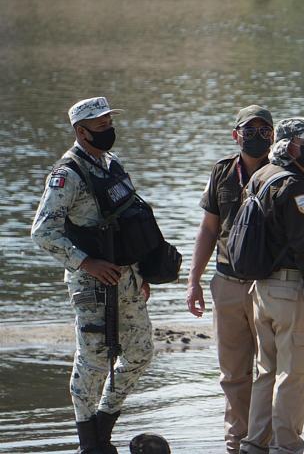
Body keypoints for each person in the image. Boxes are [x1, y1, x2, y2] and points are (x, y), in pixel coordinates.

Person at [31, 97, 154, 454]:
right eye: (101, 126)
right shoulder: (67, 174)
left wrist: (141, 272)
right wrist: (86, 263)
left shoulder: (111, 164)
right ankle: (90, 443)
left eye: (109, 123)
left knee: (141, 352)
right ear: (81, 132)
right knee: (93, 361)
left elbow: (130, 221)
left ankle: (102, 425)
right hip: (91, 283)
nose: (108, 130)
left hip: (127, 278)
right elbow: (43, 231)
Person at [239, 117, 304, 454]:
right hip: (290, 291)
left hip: (262, 291)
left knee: (267, 372)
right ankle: (287, 447)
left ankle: (254, 444)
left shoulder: (260, 177)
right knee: (295, 375)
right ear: (287, 146)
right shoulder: (294, 186)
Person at [186, 105, 274, 454]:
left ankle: (266, 440)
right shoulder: (222, 172)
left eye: (264, 131)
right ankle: (236, 443)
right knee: (234, 373)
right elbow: (209, 228)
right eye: (249, 131)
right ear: (236, 135)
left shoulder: (282, 172)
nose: (256, 137)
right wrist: (194, 280)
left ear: (273, 135)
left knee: (271, 369)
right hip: (227, 282)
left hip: (268, 284)